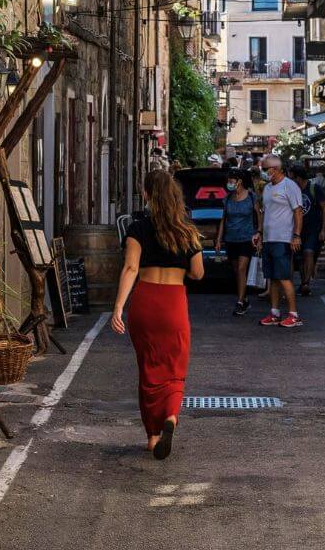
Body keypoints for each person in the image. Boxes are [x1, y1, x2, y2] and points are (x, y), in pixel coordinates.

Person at [111, 170, 204, 459]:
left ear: (148, 195)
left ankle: (152, 436)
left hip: (145, 301)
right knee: (174, 370)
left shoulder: (137, 229)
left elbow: (130, 269)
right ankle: (171, 418)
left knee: (149, 369)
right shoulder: (187, 230)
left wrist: (118, 308)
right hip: (174, 303)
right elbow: (198, 273)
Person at [253, 154, 304, 328]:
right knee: (272, 278)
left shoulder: (290, 186)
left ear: (275, 169)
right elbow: (264, 212)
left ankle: (294, 314)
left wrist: (296, 235)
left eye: (266, 169)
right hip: (269, 238)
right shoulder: (267, 188)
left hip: (283, 238)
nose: (264, 172)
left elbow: (298, 211)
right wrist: (260, 233)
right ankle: (274, 313)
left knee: (283, 277)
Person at [214, 168, 261, 315]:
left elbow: (259, 217)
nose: (229, 183)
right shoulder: (227, 198)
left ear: (239, 181)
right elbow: (223, 220)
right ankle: (244, 297)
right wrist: (219, 239)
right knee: (236, 270)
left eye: (231, 181)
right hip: (231, 239)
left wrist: (259, 233)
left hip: (246, 238)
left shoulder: (252, 197)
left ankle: (240, 302)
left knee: (241, 269)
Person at [290, 163, 325, 295]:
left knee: (309, 252)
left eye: (292, 178)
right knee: (300, 257)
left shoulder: (314, 188)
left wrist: (323, 229)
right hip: (297, 229)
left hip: (313, 228)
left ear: (298, 178)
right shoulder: (292, 190)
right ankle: (303, 282)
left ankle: (306, 283)